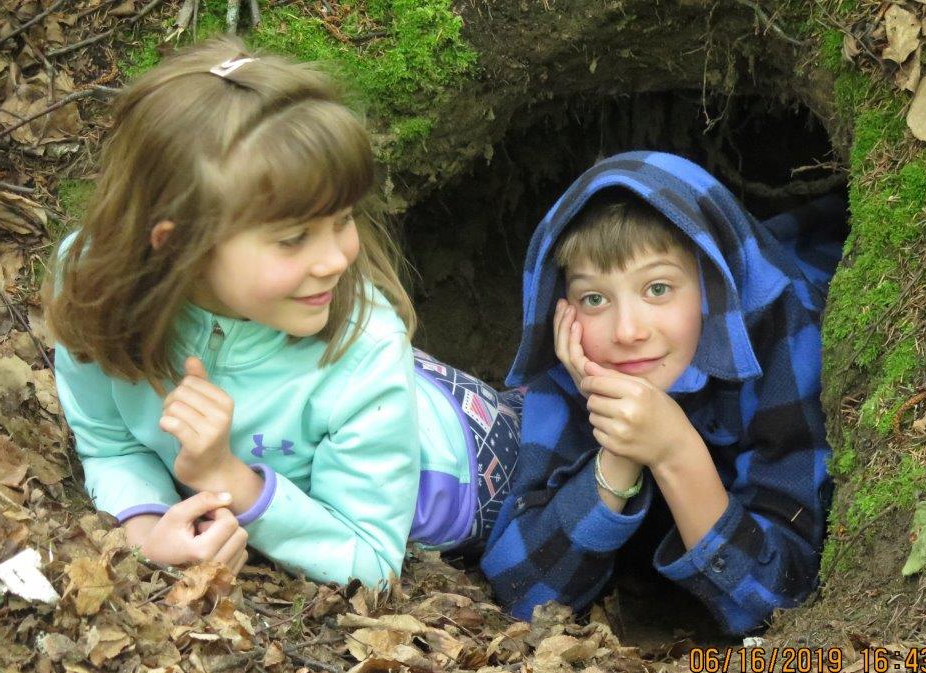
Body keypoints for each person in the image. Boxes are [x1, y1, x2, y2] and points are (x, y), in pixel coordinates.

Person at [43, 37, 520, 587]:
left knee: (563, 445)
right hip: (385, 396)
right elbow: (111, 441)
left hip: (471, 469)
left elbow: (371, 560)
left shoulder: (366, 350)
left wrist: (230, 480)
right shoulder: (91, 280)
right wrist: (150, 529)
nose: (339, 257)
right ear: (176, 246)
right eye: (294, 238)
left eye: (343, 219)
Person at [480, 152, 847, 635]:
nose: (627, 331)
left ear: (712, 284)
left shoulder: (787, 334)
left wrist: (675, 451)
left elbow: (781, 598)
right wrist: (620, 452)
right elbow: (522, 591)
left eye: (657, 288)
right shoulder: (578, 361)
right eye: (595, 299)